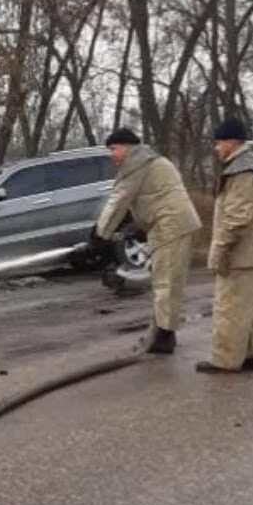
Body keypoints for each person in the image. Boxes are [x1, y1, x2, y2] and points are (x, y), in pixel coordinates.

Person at [91, 127, 202, 355]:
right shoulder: (151, 160)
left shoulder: (136, 163)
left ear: (126, 147)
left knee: (166, 282)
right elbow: (152, 196)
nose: (110, 154)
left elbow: (119, 200)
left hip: (170, 226)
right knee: (166, 280)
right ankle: (162, 331)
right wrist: (142, 226)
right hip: (173, 224)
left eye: (113, 149)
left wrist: (99, 234)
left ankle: (164, 335)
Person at [198, 118, 253, 374]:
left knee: (229, 306)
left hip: (241, 253)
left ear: (232, 142)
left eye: (219, 143)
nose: (216, 148)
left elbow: (237, 217)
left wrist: (220, 249)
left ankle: (225, 360)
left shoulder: (240, 170)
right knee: (252, 306)